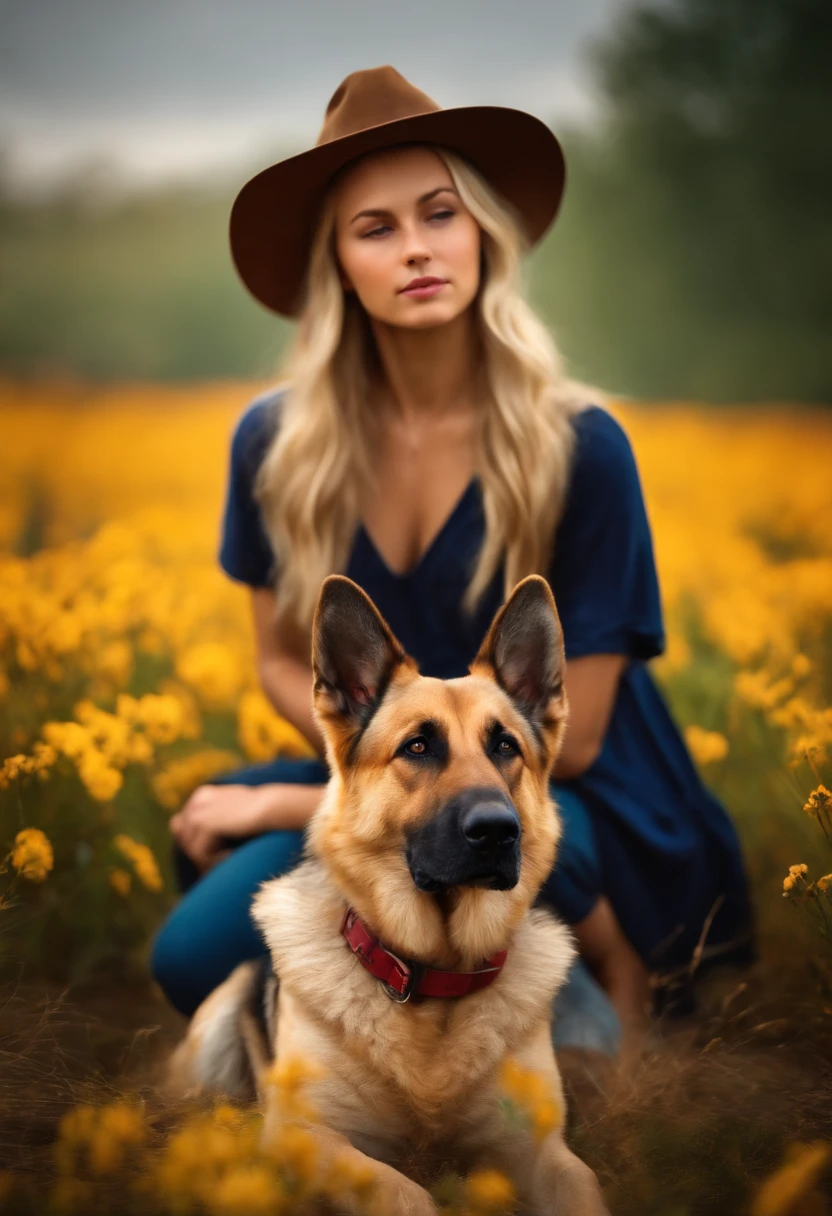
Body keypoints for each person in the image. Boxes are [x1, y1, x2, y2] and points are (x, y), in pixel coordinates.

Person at [151, 66, 753, 1057]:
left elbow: (585, 737)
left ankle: (610, 977)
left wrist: (289, 800)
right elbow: (272, 659)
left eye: (441, 213)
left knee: (507, 863)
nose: (418, 247)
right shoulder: (271, 442)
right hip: (382, 775)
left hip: (560, 787)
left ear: (483, 232)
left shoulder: (581, 446)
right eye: (375, 227)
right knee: (188, 956)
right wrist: (371, 766)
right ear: (337, 263)